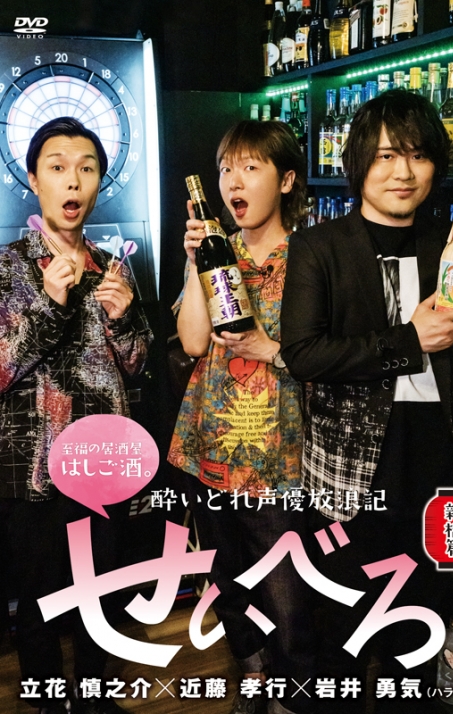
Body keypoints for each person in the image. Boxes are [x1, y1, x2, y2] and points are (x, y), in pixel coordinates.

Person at [280, 90, 453, 713]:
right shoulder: (319, 246)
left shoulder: (451, 245)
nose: (403, 172)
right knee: (342, 635)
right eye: (385, 156)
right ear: (357, 163)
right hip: (351, 480)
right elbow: (303, 353)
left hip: (445, 474)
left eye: (418, 156)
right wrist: (410, 340)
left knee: (424, 633)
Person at [0, 117, 153, 714]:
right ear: (34, 179)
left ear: (98, 183)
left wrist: (125, 317)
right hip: (33, 466)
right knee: (40, 595)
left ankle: (91, 695)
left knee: (101, 588)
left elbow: (136, 364)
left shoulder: (112, 266)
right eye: (58, 166)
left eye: (87, 168)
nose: (74, 179)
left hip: (103, 460)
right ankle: (46, 699)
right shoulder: (10, 266)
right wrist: (50, 303)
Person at [168, 120, 316, 714]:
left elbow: (327, 358)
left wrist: (269, 349)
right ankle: (252, 673)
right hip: (211, 443)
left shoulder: (310, 255)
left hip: (277, 452)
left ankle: (289, 694)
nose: (234, 181)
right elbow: (193, 342)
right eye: (227, 168)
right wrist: (194, 264)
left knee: (285, 588)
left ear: (286, 181)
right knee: (226, 575)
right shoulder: (217, 249)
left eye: (251, 167)